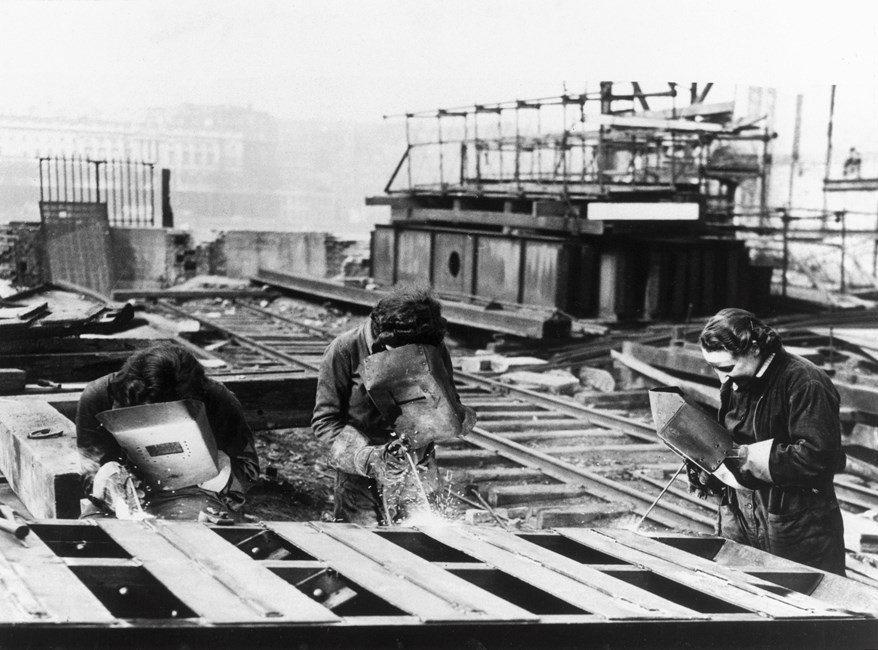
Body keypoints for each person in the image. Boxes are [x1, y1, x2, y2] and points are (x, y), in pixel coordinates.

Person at [693, 308, 846, 575]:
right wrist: (707, 461)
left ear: (754, 349)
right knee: (740, 598)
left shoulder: (805, 382)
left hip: (795, 524)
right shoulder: (736, 380)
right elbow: (732, 439)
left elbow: (817, 456)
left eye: (727, 367)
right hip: (741, 514)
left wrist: (742, 459)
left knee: (803, 604)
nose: (722, 378)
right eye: (715, 368)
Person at [311, 286, 475, 525]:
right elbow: (325, 422)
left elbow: (448, 401)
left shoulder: (433, 346)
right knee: (364, 549)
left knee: (423, 545)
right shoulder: (344, 350)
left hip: (418, 466)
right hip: (361, 473)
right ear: (383, 335)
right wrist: (369, 458)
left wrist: (452, 418)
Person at [76, 342, 260, 520]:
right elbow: (88, 468)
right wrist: (107, 481)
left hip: (189, 495)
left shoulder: (216, 398)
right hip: (123, 496)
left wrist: (222, 471)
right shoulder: (99, 396)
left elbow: (248, 469)